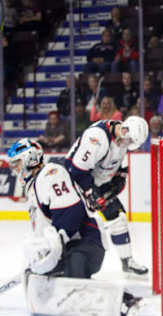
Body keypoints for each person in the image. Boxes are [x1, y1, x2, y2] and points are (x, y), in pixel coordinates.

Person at [7, 139, 141, 315]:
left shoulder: (51, 174)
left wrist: (57, 240)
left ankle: (123, 301)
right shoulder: (34, 184)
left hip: (84, 244)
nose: (14, 169)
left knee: (73, 284)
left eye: (16, 163)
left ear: (29, 159)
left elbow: (71, 212)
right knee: (53, 290)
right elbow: (44, 229)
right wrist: (40, 253)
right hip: (66, 248)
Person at [65, 116, 150, 277]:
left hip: (96, 182)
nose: (128, 145)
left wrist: (120, 177)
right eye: (129, 141)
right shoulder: (96, 138)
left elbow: (119, 162)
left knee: (118, 219)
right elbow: (77, 171)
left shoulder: (123, 136)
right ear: (124, 131)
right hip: (76, 182)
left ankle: (127, 262)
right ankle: (60, 261)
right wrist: (91, 194)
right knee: (73, 227)